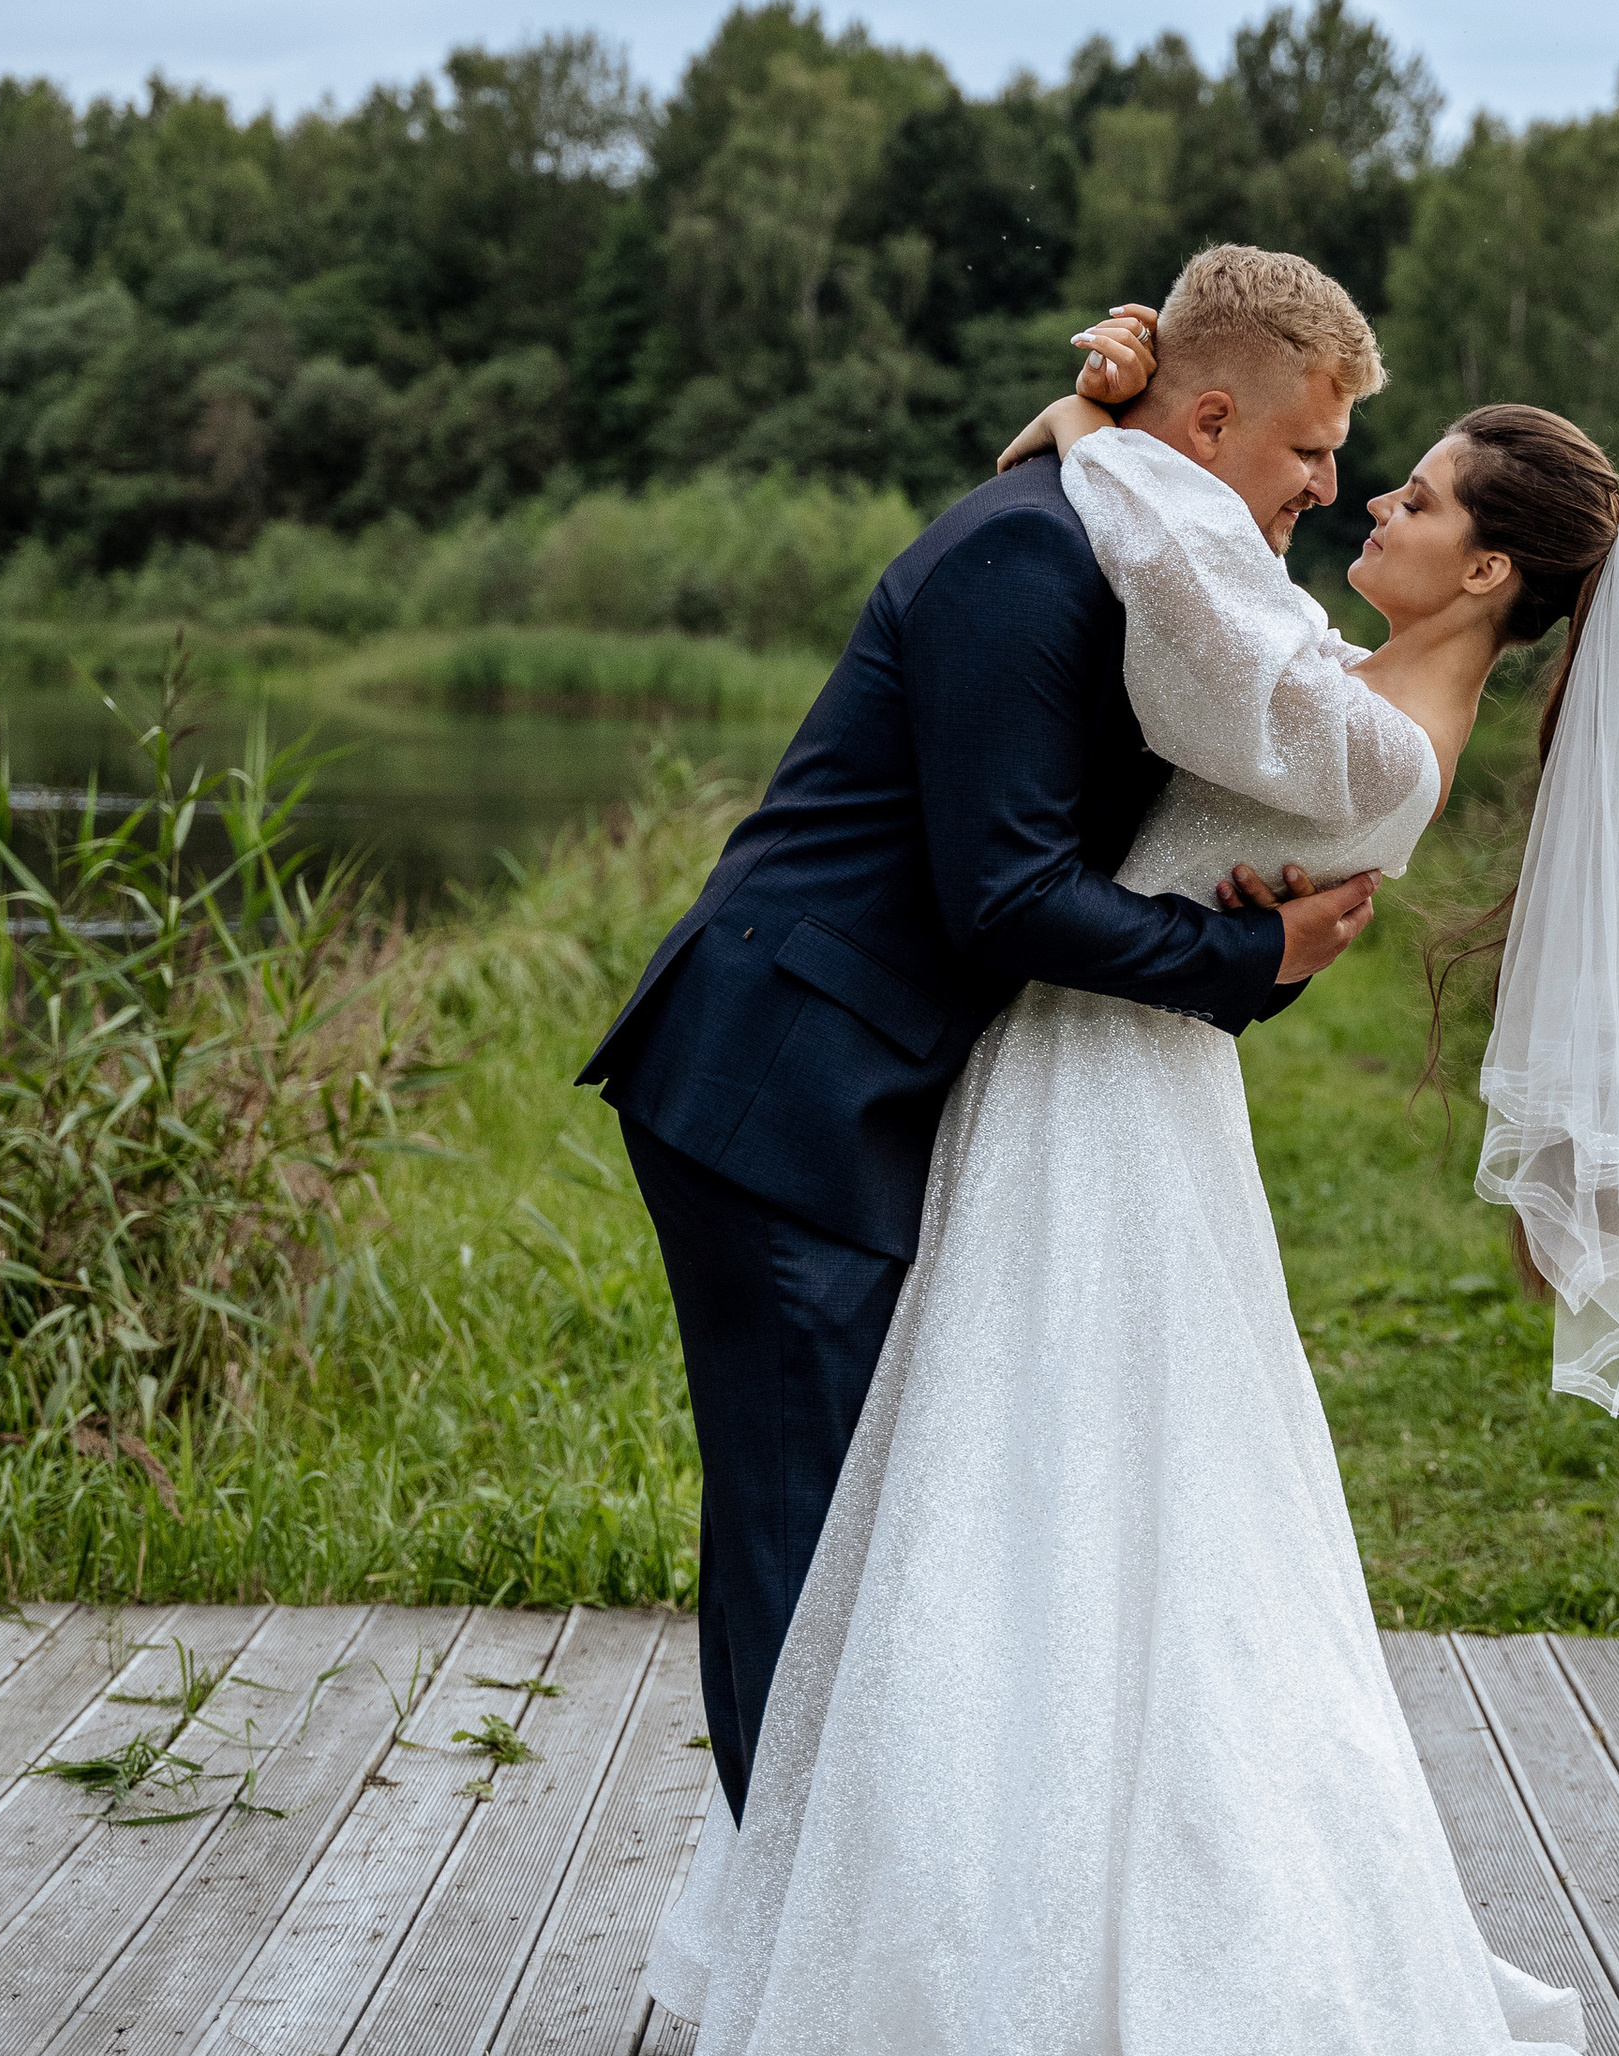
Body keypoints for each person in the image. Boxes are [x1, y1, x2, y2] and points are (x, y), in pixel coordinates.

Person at [636, 309, 1619, 2056]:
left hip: (1103, 1102)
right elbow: (1123, 576)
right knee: (1018, 1525)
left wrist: (1113, 413)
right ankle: (913, 1942)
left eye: (1400, 493)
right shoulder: (1342, 694)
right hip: (1084, 1084)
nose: (1356, 502)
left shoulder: (1355, 730)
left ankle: (970, 1980)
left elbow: (1134, 548)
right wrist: (1123, 419)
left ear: (1485, 570)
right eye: (1346, 460)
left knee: (1080, 1534)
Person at [577, 246, 1390, 1818]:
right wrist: (1243, 951)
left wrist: (1266, 934)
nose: (1326, 492)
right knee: (804, 1550)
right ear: (1210, 421)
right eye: (1309, 452)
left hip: (863, 1086)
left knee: (876, 1539)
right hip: (778, 1091)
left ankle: (845, 1948)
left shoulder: (1127, 556)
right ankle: (784, 1985)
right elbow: (1006, 898)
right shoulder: (1033, 558)